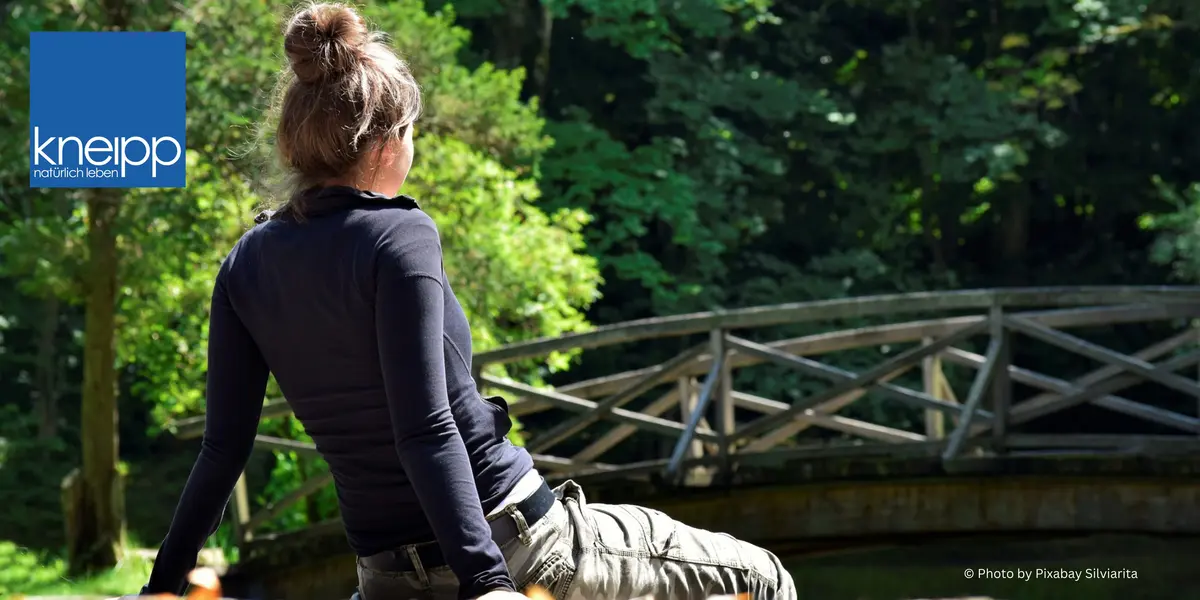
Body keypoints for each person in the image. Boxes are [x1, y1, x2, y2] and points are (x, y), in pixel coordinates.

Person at [138, 3, 798, 600]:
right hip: (518, 547)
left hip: (385, 576)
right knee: (763, 580)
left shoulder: (246, 264)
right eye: (414, 132)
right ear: (388, 141)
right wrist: (486, 585)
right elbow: (423, 426)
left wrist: (162, 588)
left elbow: (223, 448)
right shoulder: (399, 233)